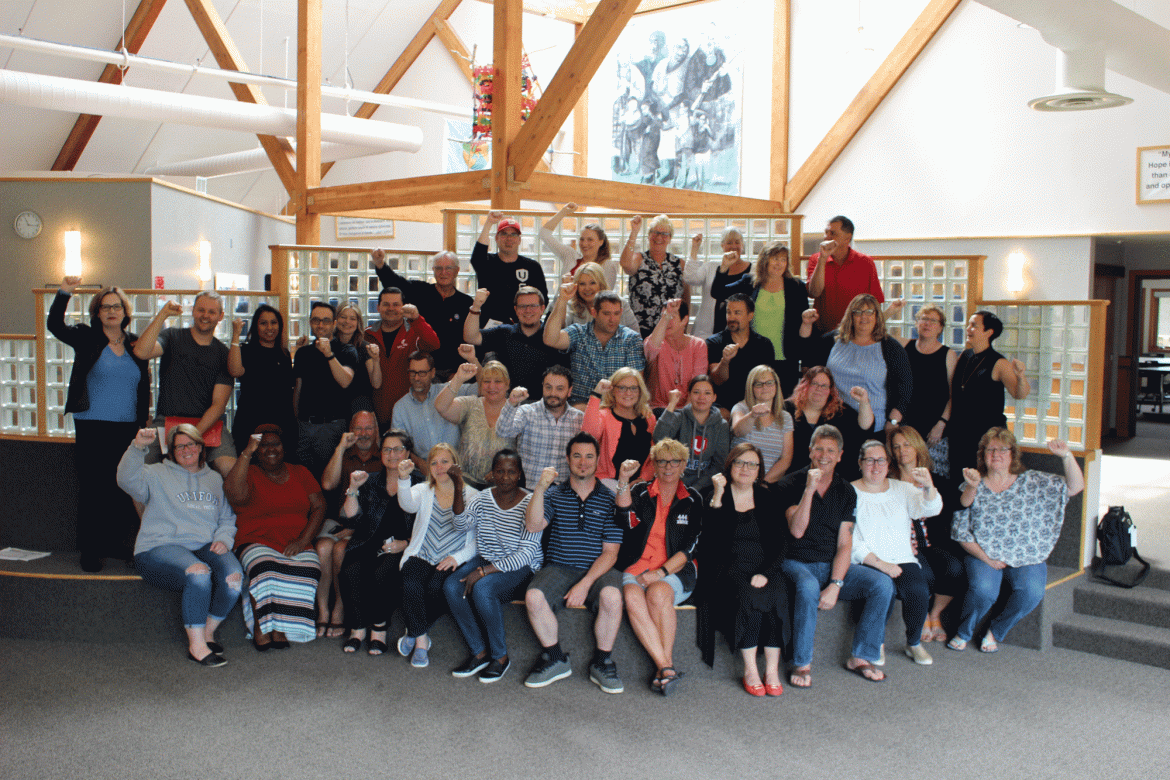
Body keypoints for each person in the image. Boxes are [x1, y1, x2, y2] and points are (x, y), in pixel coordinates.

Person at [776, 425, 895, 686]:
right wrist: (809, 490)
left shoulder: (846, 490)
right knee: (808, 586)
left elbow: (844, 544)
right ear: (810, 451)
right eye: (819, 449)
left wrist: (836, 584)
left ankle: (861, 657)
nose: (824, 455)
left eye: (831, 450)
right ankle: (801, 663)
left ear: (840, 455)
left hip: (830, 565)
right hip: (795, 562)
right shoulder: (790, 483)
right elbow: (797, 530)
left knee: (882, 583)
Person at [948, 430, 1083, 653]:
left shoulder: (1034, 481)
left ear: (1013, 454)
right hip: (984, 554)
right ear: (983, 455)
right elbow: (961, 532)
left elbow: (1075, 487)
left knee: (1032, 591)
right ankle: (964, 632)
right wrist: (987, 559)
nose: (996, 454)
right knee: (983, 590)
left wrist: (1066, 455)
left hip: (1026, 554)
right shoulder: (972, 485)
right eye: (990, 449)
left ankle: (995, 631)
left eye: (1003, 449)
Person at [117, 425, 241, 667]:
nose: (186, 450)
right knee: (199, 573)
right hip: (161, 545)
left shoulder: (215, 479)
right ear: (172, 451)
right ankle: (197, 647)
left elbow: (227, 518)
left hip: (204, 545)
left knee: (233, 578)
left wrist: (224, 539)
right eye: (180, 446)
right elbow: (125, 480)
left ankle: (207, 633)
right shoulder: (155, 473)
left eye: (191, 444)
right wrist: (138, 446)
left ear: (201, 447)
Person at [49, 276, 150, 571]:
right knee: (94, 488)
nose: (111, 311)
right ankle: (90, 550)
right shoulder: (86, 337)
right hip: (92, 425)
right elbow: (54, 325)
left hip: (127, 427)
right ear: (97, 312)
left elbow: (143, 386)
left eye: (117, 306)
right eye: (105, 307)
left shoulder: (136, 343)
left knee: (123, 487)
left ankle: (119, 545)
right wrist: (65, 291)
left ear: (125, 311)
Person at [523, 433, 626, 693]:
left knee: (613, 597)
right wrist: (540, 488)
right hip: (559, 567)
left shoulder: (610, 498)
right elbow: (533, 525)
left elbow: (611, 553)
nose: (583, 462)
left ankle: (603, 662)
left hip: (598, 570)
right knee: (533, 597)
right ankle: (556, 658)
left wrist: (586, 583)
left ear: (598, 460)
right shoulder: (554, 494)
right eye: (577, 456)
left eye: (589, 456)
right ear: (568, 459)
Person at [224, 425, 326, 649]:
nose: (270, 449)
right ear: (256, 450)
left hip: (295, 540)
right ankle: (261, 627)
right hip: (256, 539)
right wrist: (247, 452)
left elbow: (319, 507)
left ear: (284, 448)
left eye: (275, 444)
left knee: (309, 568)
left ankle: (281, 626)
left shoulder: (300, 472)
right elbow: (235, 495)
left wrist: (303, 541)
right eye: (263, 445)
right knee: (265, 569)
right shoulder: (249, 472)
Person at [614, 439, 703, 695]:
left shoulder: (693, 499)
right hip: (637, 566)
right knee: (632, 597)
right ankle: (666, 667)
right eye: (662, 461)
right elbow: (625, 520)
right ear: (653, 464)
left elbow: (691, 547)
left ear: (684, 465)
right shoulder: (641, 491)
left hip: (676, 569)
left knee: (658, 593)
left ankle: (663, 667)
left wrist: (660, 573)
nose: (668, 467)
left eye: (675, 461)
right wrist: (623, 480)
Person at [444, 450, 541, 683]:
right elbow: (460, 525)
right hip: (487, 559)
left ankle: (500, 657)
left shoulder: (531, 502)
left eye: (511, 472)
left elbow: (526, 555)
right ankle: (479, 652)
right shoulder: (482, 498)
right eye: (500, 471)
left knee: (483, 588)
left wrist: (482, 572)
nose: (505, 477)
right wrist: (458, 487)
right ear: (492, 473)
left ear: (520, 474)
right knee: (451, 586)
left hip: (520, 567)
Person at [699, 444, 787, 696]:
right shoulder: (715, 494)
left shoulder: (767, 497)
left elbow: (781, 543)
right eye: (739, 463)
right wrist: (718, 495)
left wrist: (766, 573)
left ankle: (772, 670)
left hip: (763, 566)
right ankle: (751, 669)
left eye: (752, 464)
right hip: (727, 566)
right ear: (730, 466)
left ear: (759, 470)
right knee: (749, 596)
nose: (745, 468)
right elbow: (710, 541)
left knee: (778, 594)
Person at [851, 440, 942, 666]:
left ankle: (914, 643)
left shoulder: (902, 489)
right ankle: (877, 642)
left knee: (918, 590)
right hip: (868, 561)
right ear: (860, 463)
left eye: (881, 460)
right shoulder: (849, 491)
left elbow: (931, 509)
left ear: (888, 463)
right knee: (884, 590)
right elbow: (850, 539)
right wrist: (881, 564)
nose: (876, 466)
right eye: (870, 460)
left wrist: (928, 487)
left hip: (902, 558)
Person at [336, 429, 422, 655]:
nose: (392, 454)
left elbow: (429, 526)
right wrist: (354, 488)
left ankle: (379, 628)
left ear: (408, 453)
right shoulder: (371, 480)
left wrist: (406, 543)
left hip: (403, 546)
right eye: (386, 450)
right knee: (351, 569)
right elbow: (350, 519)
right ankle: (357, 628)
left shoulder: (420, 483)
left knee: (382, 572)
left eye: (397, 449)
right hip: (368, 542)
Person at [395, 443, 480, 668]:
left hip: (452, 557)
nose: (439, 467)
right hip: (423, 552)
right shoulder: (424, 490)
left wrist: (457, 558)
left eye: (445, 461)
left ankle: (413, 632)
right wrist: (403, 478)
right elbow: (407, 505)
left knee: (437, 588)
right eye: (434, 463)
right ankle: (421, 641)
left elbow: (478, 541)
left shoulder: (473, 496)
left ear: (455, 464)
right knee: (410, 583)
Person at [133, 291, 236, 474]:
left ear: (220, 316)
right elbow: (141, 352)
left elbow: (219, 405)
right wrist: (163, 314)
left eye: (212, 312)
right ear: (193, 311)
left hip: (208, 425)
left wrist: (191, 437)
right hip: (166, 422)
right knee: (138, 469)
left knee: (230, 469)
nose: (205, 316)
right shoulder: (172, 336)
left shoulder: (224, 354)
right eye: (201, 310)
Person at [888, 424, 963, 643]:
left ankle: (935, 614)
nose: (902, 451)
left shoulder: (934, 479)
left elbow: (959, 503)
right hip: (905, 547)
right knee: (925, 574)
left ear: (917, 447)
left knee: (955, 568)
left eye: (907, 445)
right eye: (896, 446)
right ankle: (922, 617)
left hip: (933, 543)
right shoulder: (889, 481)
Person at [315, 410, 383, 638]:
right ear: (350, 431)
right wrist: (341, 448)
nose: (363, 433)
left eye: (368, 428)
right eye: (358, 428)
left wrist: (354, 529)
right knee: (323, 548)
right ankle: (323, 610)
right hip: (338, 522)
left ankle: (339, 607)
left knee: (340, 550)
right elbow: (327, 484)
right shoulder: (343, 454)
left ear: (376, 431)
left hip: (367, 526)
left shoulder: (384, 457)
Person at [802, 293, 913, 433]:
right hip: (833, 421)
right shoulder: (833, 340)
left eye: (869, 312)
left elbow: (905, 387)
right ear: (851, 316)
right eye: (858, 312)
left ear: (877, 316)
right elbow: (808, 363)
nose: (863, 317)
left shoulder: (891, 347)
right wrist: (806, 325)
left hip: (873, 426)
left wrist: (893, 421)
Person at [948, 310, 1032, 472]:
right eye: (969, 325)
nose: (968, 329)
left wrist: (1021, 376)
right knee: (959, 479)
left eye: (974, 326)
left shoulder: (999, 362)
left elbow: (1020, 394)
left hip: (986, 437)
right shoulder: (965, 356)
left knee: (984, 477)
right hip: (959, 433)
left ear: (989, 332)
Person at [724, 241, 809, 396]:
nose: (779, 263)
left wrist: (806, 361)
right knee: (751, 400)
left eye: (783, 259)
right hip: (752, 355)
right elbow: (718, 291)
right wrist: (724, 267)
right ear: (765, 260)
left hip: (785, 358)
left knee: (782, 404)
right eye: (775, 258)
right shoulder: (749, 282)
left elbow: (805, 325)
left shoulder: (796, 286)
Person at [373, 248, 472, 377]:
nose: (443, 273)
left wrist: (459, 371)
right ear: (433, 270)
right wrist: (380, 264)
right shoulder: (420, 291)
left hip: (454, 370)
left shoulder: (466, 302)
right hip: (421, 370)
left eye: (448, 268)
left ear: (457, 270)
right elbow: (395, 282)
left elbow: (469, 339)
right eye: (438, 268)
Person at [544, 289, 645, 407]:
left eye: (616, 313)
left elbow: (635, 383)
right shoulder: (579, 332)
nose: (612, 319)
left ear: (621, 312)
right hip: (581, 403)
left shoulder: (631, 339)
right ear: (594, 312)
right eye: (606, 314)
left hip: (616, 404)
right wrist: (562, 300)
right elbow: (550, 339)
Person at [292, 302, 359, 477]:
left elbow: (345, 381)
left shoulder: (347, 350)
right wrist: (296, 421)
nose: (320, 325)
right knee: (304, 477)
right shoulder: (303, 353)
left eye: (326, 320)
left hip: (331, 426)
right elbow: (298, 389)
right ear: (310, 322)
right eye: (316, 320)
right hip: (304, 426)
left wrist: (329, 354)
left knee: (329, 478)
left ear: (334, 323)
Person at [227, 304, 296, 463]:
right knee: (250, 468)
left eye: (274, 323)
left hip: (282, 423)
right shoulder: (246, 350)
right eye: (263, 323)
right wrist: (236, 335)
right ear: (255, 326)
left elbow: (287, 390)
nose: (269, 328)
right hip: (250, 422)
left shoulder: (284, 354)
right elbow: (235, 371)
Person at [495, 365, 585, 487]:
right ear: (542, 386)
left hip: (564, 491)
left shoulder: (579, 418)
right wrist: (512, 403)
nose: (553, 393)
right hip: (529, 488)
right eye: (548, 387)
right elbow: (502, 432)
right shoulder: (527, 412)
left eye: (560, 389)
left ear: (569, 391)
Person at [464, 286, 559, 400]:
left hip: (541, 404)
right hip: (506, 402)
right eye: (522, 306)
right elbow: (471, 337)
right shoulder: (504, 332)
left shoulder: (552, 337)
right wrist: (476, 306)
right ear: (516, 310)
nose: (528, 310)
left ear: (542, 308)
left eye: (533, 306)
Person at [365, 286, 441, 428]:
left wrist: (416, 319)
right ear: (378, 307)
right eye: (386, 304)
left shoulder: (414, 332)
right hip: (375, 412)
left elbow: (434, 344)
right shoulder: (367, 335)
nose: (391, 308)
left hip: (409, 411)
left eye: (396, 305)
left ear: (403, 308)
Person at [895, 304, 957, 474]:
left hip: (934, 428)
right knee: (905, 473)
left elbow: (954, 395)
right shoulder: (905, 345)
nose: (927, 323)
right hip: (906, 424)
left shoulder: (948, 355)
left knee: (934, 475)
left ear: (940, 328)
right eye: (923, 319)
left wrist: (942, 424)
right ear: (916, 323)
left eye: (933, 321)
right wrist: (892, 310)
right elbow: (877, 331)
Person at [434, 359, 516, 486]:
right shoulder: (470, 404)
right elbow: (441, 406)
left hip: (502, 485)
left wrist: (502, 470)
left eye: (498, 381)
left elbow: (524, 453)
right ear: (480, 384)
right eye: (486, 381)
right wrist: (458, 379)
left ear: (507, 384)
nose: (491, 386)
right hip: (465, 482)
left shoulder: (518, 412)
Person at [785, 366, 873, 478]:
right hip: (792, 477)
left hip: (833, 478)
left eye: (824, 386)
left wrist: (864, 402)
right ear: (805, 386)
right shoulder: (787, 409)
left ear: (830, 390)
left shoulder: (841, 412)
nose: (819, 388)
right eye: (814, 384)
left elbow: (865, 427)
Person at [653, 375, 729, 494]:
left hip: (704, 486)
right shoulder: (679, 417)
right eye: (696, 392)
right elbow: (658, 439)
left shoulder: (721, 425)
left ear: (714, 397)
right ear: (689, 395)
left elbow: (719, 465)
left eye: (707, 393)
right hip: (674, 481)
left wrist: (696, 488)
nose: (701, 397)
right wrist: (672, 404)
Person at [805, 215, 884, 330]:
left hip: (856, 332)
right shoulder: (816, 259)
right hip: (823, 332)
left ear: (847, 238)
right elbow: (814, 293)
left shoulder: (865, 262)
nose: (826, 237)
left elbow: (875, 302)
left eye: (833, 233)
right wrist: (822, 259)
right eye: (826, 232)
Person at [471, 212, 549, 325]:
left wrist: (528, 319)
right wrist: (489, 223)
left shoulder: (532, 266)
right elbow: (477, 254)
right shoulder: (487, 262)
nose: (509, 238)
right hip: (491, 326)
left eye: (513, 234)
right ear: (496, 238)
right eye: (504, 234)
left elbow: (543, 300)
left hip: (523, 325)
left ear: (519, 240)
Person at [583, 370, 657, 485]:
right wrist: (596, 395)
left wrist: (643, 479)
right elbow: (587, 435)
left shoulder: (649, 418)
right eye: (622, 388)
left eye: (633, 388)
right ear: (613, 391)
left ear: (640, 391)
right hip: (609, 482)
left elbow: (654, 456)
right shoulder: (604, 415)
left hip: (641, 484)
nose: (628, 393)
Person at [393, 351, 462, 474]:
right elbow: (399, 447)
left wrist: (473, 360)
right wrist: (420, 463)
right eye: (412, 372)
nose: (416, 378)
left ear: (433, 373)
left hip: (457, 467)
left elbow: (481, 389)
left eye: (422, 373)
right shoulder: (400, 408)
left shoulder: (450, 391)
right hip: (425, 472)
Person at [706, 293, 775, 416]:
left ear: (750, 316)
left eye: (737, 313)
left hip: (755, 402)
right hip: (723, 404)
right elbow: (717, 380)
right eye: (729, 312)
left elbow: (768, 382)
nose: (731, 317)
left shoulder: (764, 344)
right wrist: (725, 361)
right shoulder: (714, 342)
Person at [619, 214, 686, 337]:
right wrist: (634, 232)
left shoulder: (679, 263)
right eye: (655, 232)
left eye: (664, 234)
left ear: (670, 238)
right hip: (640, 330)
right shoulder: (639, 259)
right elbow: (625, 264)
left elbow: (685, 296)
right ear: (649, 235)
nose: (659, 237)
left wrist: (684, 325)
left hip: (670, 330)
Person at [730, 364, 795, 483]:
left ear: (776, 386)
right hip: (739, 482)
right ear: (751, 387)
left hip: (767, 485)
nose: (765, 387)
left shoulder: (785, 417)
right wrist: (752, 415)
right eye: (759, 384)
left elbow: (786, 459)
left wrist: (762, 484)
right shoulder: (741, 408)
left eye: (769, 383)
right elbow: (738, 431)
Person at [682, 228, 750, 339]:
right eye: (729, 242)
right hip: (707, 332)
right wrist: (695, 248)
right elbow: (690, 278)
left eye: (737, 242)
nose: (733, 246)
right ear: (722, 246)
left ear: (742, 245)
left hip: (739, 333)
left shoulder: (751, 271)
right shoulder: (711, 267)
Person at [643, 298, 707, 409]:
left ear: (685, 320)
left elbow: (697, 384)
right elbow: (650, 350)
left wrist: (685, 414)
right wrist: (666, 316)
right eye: (664, 316)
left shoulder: (698, 345)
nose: (667, 321)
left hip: (689, 409)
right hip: (658, 408)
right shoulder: (656, 340)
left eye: (672, 316)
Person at [539, 203, 619, 289]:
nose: (584, 244)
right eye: (582, 239)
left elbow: (606, 294)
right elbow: (544, 234)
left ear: (601, 242)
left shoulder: (607, 265)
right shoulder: (570, 255)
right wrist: (563, 212)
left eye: (590, 240)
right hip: (562, 298)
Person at [543, 262, 639, 332]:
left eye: (592, 283)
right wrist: (562, 298)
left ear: (601, 284)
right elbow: (558, 330)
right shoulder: (571, 305)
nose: (587, 288)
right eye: (582, 284)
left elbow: (636, 336)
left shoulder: (620, 303)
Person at [333, 304, 381, 413]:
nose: (347, 321)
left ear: (358, 323)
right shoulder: (329, 346)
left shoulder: (365, 347)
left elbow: (376, 384)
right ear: (336, 320)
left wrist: (376, 360)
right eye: (343, 317)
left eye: (352, 319)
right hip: (333, 407)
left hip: (359, 408)